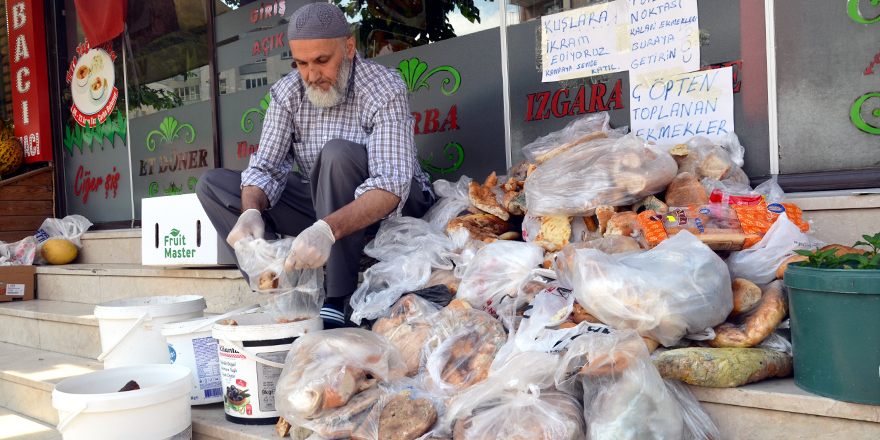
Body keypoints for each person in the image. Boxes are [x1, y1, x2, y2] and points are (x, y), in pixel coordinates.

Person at [197, 3, 433, 329]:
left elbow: (391, 185)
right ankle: (279, 286)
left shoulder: (383, 87)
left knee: (336, 155)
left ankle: (337, 298)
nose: (312, 74)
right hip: (328, 206)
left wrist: (326, 230)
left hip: (394, 210)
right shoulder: (287, 93)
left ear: (349, 48)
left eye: (322, 60)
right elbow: (265, 167)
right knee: (214, 185)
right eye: (301, 63)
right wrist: (250, 210)